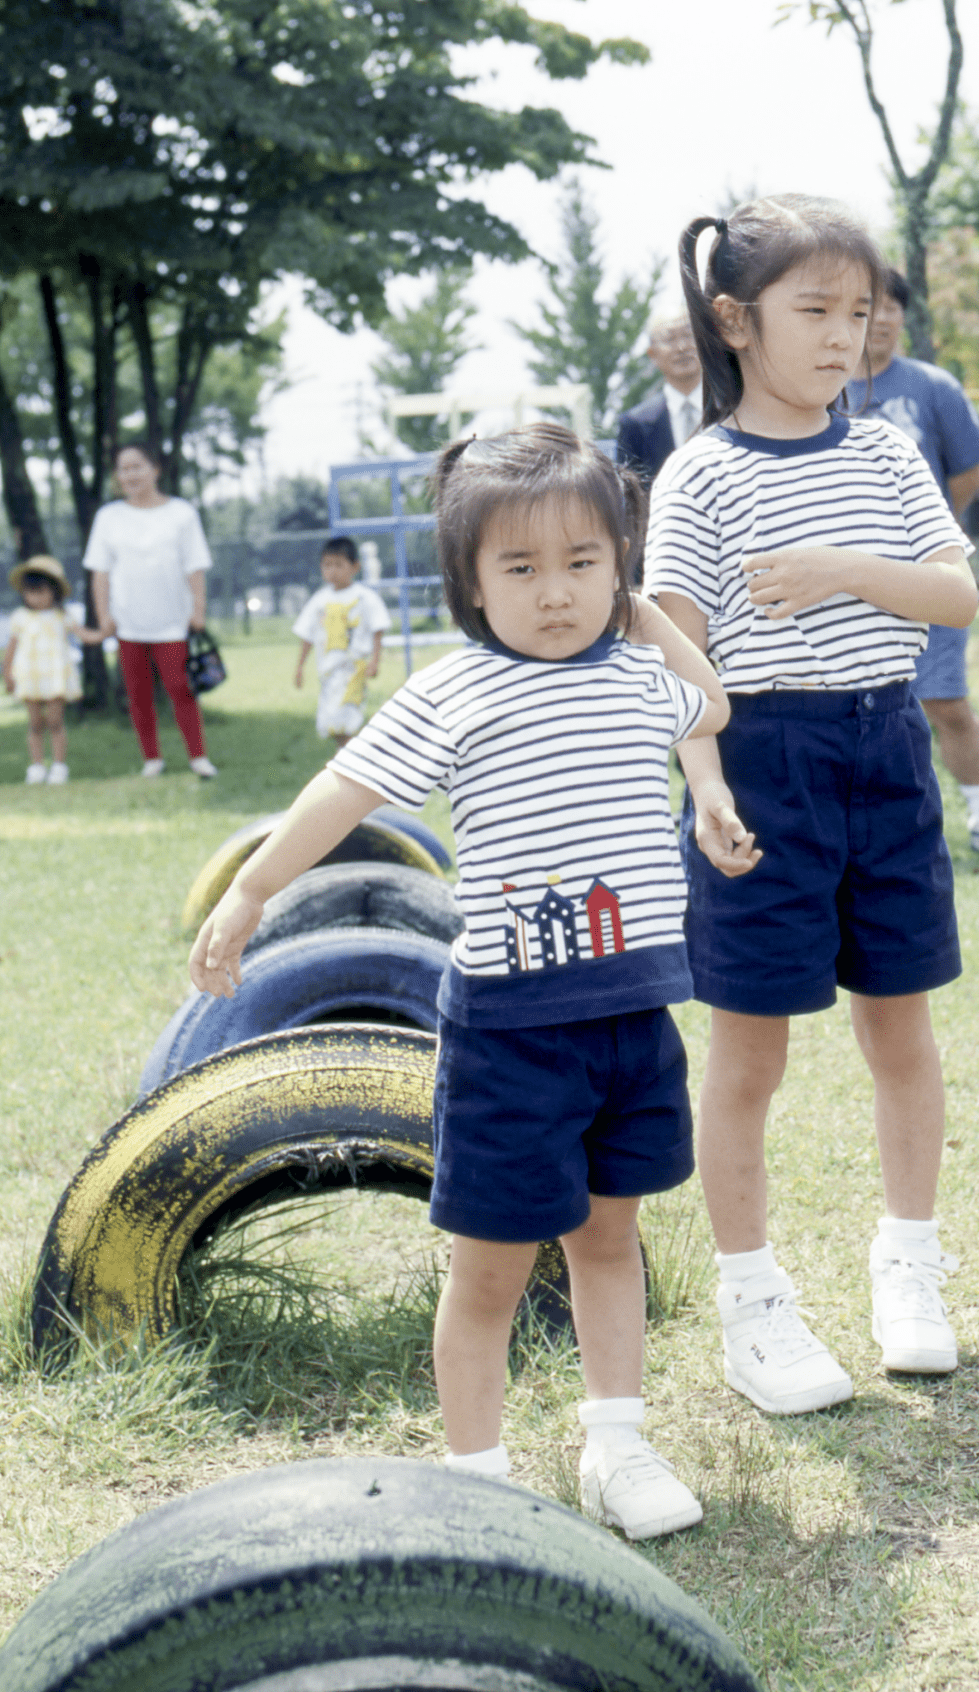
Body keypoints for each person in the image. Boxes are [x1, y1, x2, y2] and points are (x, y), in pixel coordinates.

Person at [189, 425, 734, 1542]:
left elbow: (714, 705)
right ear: (470, 583)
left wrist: (640, 611)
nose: (555, 593)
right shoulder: (454, 692)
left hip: (634, 1020)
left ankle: (616, 1447)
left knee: (608, 1240)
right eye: (520, 568)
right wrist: (249, 891)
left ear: (619, 568)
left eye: (583, 562)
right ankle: (474, 1483)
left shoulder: (641, 679)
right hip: (510, 1040)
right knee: (491, 1268)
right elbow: (342, 793)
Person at [644, 194, 978, 1412]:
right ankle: (752, 1304)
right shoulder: (696, 475)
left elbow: (953, 596)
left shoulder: (885, 452)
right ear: (735, 320)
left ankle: (909, 1266)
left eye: (860, 311)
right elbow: (679, 659)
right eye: (815, 311)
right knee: (749, 1052)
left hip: (884, 751)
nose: (845, 335)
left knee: (900, 1029)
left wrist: (840, 570)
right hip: (761, 764)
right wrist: (706, 791)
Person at [844, 269, 979, 857]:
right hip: (839, 582)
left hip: (928, 578)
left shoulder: (932, 386)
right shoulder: (817, 387)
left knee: (945, 700)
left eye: (891, 307)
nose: (879, 319)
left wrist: (923, 535)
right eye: (866, 307)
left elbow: (968, 473)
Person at [83, 441, 218, 779]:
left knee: (181, 689)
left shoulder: (182, 513)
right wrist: (104, 616)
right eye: (123, 469)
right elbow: (100, 572)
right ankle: (152, 760)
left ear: (155, 470)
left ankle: (198, 757)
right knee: (137, 694)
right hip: (128, 622)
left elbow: (195, 565)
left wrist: (198, 609)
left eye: (137, 467)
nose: (130, 475)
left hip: (173, 622)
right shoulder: (108, 517)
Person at [2, 556, 101, 784]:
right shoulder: (20, 618)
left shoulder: (62, 616)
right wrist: (7, 674)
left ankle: (58, 766)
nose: (36, 597)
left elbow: (84, 635)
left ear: (54, 591)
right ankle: (36, 766)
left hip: (56, 677)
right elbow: (11, 650)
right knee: (35, 723)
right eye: (31, 592)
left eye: (41, 591)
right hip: (30, 677)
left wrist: (104, 633)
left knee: (56, 721)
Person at [292, 537, 390, 746]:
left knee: (345, 719)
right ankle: (350, 754)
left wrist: (375, 661)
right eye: (327, 565)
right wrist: (300, 667)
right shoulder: (320, 600)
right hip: (328, 672)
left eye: (339, 565)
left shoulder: (364, 597)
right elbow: (307, 635)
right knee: (331, 723)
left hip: (353, 671)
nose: (332, 571)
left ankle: (351, 756)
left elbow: (378, 628)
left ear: (355, 567)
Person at [614, 311, 704, 491]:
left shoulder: (734, 408)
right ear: (652, 354)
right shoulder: (634, 424)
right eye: (669, 339)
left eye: (688, 335)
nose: (681, 347)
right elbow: (632, 496)